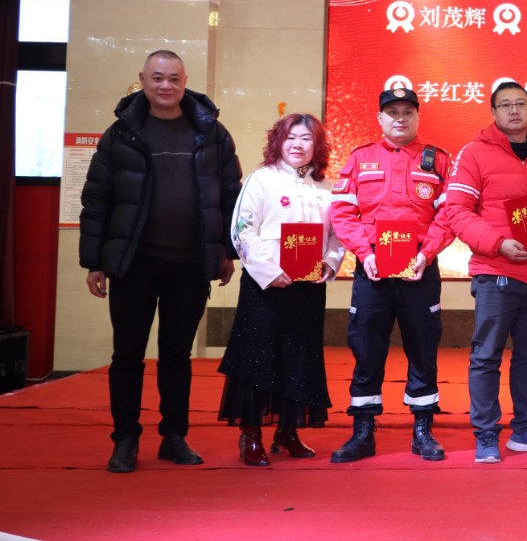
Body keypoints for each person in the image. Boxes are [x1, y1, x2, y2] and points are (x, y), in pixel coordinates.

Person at [79, 49, 242, 473]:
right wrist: (94, 262)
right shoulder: (121, 133)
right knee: (127, 354)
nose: (165, 85)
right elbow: (97, 199)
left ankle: (174, 436)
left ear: (185, 81)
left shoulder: (211, 132)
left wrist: (226, 251)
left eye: (173, 78)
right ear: (143, 79)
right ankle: (125, 439)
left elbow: (231, 196)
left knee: (176, 354)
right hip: (134, 261)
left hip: (190, 264)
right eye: (157, 78)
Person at [327, 87, 455, 463]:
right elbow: (342, 212)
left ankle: (423, 431)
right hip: (372, 271)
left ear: (417, 117)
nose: (400, 118)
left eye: (407, 112)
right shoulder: (360, 158)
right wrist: (364, 253)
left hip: (419, 270)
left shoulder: (438, 160)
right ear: (380, 118)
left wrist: (427, 253)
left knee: (423, 349)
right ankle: (363, 432)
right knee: (366, 349)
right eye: (392, 112)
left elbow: (449, 214)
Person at [445, 81, 527, 464]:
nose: (514, 110)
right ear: (493, 112)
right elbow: (456, 211)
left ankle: (526, 429)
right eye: (505, 105)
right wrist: (498, 244)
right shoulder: (474, 154)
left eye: (520, 104)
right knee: (486, 356)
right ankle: (486, 433)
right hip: (496, 272)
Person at [220, 113, 345, 466]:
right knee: (258, 357)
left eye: (306, 138)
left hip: (307, 288)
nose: (297, 145)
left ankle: (288, 431)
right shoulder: (262, 179)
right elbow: (242, 230)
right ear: (279, 141)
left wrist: (330, 262)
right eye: (290, 137)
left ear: (317, 145)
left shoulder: (326, 187)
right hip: (266, 286)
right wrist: (269, 271)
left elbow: (337, 234)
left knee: (300, 358)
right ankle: (251, 434)